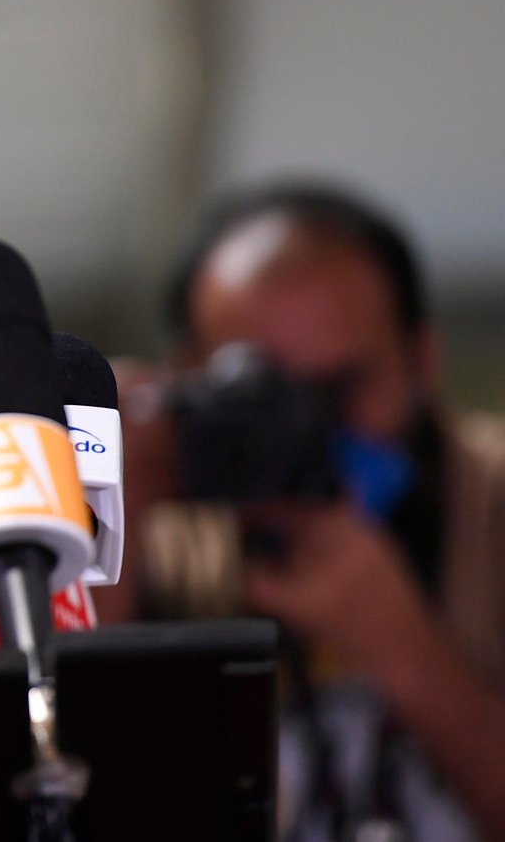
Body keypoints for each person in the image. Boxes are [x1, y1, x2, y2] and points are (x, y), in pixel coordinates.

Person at [137, 182, 505, 840]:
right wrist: (116, 497)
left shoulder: (492, 508)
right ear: (187, 379)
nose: (307, 428)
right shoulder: (168, 532)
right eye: (261, 391)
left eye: (340, 387)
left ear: (422, 360)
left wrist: (405, 650)